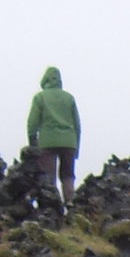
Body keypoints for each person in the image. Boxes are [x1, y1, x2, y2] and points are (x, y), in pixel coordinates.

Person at [26, 67, 80, 211]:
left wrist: (33, 142)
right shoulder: (69, 98)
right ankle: (69, 200)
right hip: (69, 142)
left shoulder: (40, 97)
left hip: (47, 142)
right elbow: (77, 125)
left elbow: (32, 122)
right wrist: (76, 148)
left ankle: (52, 203)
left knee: (49, 175)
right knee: (68, 174)